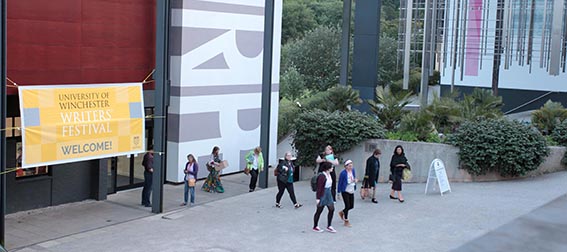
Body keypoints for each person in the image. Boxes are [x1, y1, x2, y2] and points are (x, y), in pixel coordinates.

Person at [313, 162, 337, 233]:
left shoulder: (329, 174)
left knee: (332, 209)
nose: (333, 168)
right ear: (327, 168)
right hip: (323, 193)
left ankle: (329, 225)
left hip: (328, 193)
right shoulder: (322, 176)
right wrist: (318, 198)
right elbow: (319, 188)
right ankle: (315, 226)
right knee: (319, 210)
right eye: (331, 167)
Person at [337, 160, 358, 227]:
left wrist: (355, 180)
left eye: (351, 165)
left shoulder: (353, 170)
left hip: (351, 189)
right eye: (349, 166)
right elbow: (340, 183)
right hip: (345, 190)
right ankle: (346, 220)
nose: (351, 167)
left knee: (351, 206)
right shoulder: (343, 173)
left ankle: (342, 212)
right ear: (346, 166)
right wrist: (338, 193)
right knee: (347, 205)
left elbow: (354, 178)